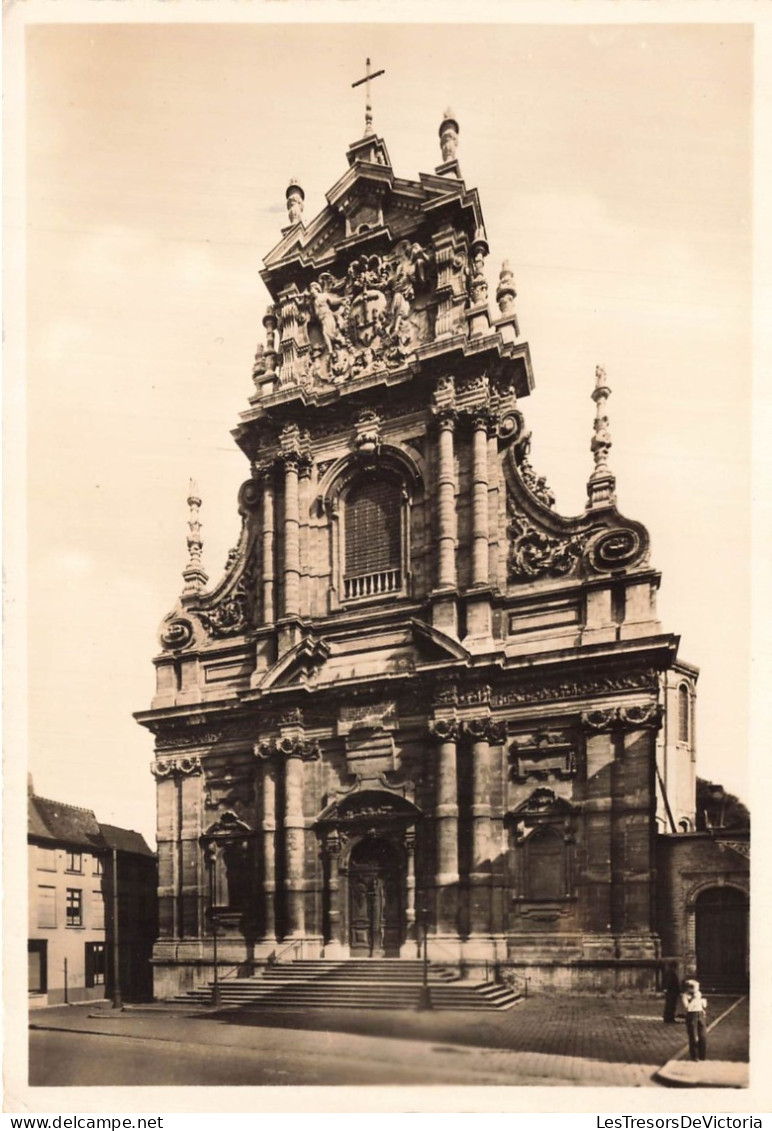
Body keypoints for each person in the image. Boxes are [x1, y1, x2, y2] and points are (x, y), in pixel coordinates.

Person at [681, 977, 708, 1060]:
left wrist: (703, 1006)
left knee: (702, 1035)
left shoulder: (699, 994)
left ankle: (702, 1055)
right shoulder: (685, 996)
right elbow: (687, 1008)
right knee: (692, 1036)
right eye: (695, 988)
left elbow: (702, 1005)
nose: (697, 990)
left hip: (700, 1014)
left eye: (697, 988)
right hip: (691, 1015)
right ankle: (694, 1056)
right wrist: (693, 999)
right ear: (689, 988)